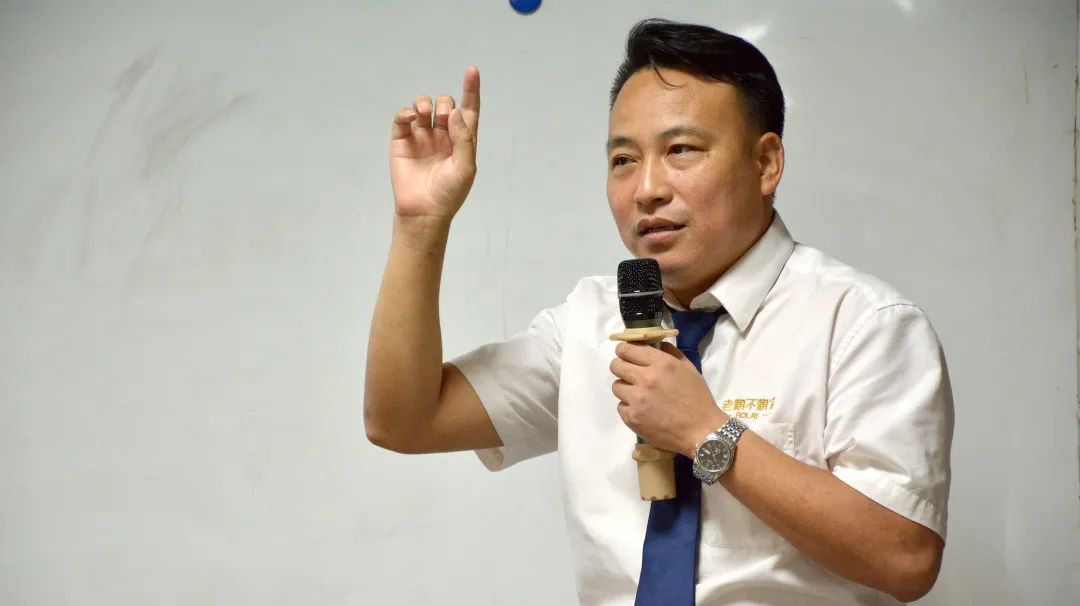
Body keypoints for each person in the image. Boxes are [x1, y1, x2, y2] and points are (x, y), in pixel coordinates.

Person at [364, 18, 953, 606]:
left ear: (766, 163)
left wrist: (706, 432)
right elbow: (404, 422)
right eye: (623, 159)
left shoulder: (862, 323)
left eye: (680, 150)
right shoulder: (588, 322)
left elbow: (906, 559)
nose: (646, 189)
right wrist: (421, 225)